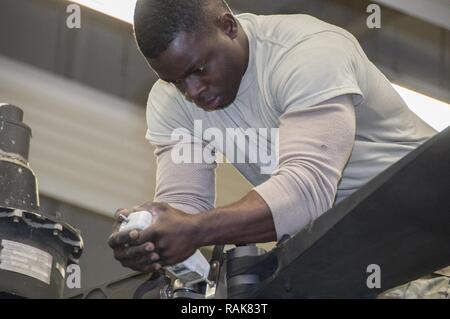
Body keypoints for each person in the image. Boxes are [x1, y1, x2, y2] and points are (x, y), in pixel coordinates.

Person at [108, 0, 436, 274]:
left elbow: (306, 190)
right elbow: (184, 212)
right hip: (349, 250)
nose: (191, 91)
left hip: (430, 224)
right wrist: (152, 238)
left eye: (199, 70)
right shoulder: (171, 102)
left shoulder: (308, 53)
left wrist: (195, 231)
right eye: (176, 80)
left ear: (228, 26)